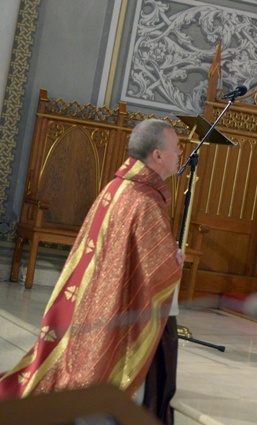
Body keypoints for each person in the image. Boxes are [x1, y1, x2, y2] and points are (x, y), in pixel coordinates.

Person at [0, 119, 184, 402]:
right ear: (157, 155)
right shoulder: (145, 201)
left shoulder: (117, 186)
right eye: (176, 148)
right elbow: (157, 270)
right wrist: (176, 260)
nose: (180, 153)